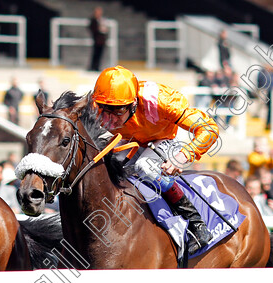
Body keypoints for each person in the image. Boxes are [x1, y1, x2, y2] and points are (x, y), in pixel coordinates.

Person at [92, 66, 218, 253]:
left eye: (118, 111)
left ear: (133, 104)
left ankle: (196, 224)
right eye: (105, 110)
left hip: (163, 138)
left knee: (145, 166)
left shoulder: (161, 101)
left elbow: (209, 128)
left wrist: (182, 157)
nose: (110, 120)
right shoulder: (94, 104)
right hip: (131, 140)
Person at [88, 6, 109, 72]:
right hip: (96, 39)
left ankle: (97, 66)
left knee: (100, 54)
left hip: (102, 40)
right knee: (95, 54)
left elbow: (105, 29)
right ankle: (92, 66)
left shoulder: (102, 20)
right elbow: (92, 28)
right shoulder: (93, 20)